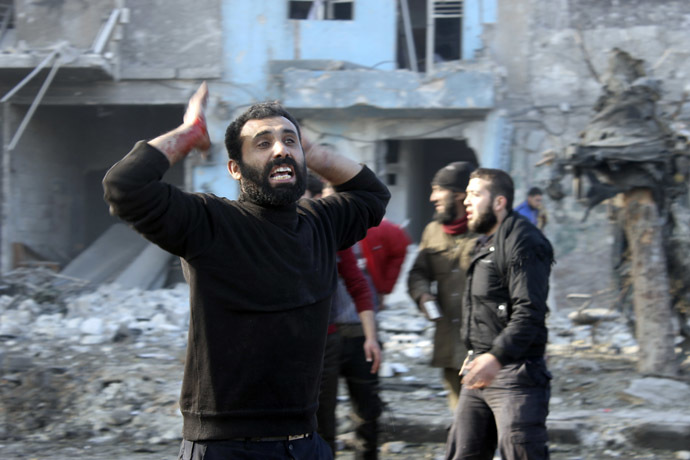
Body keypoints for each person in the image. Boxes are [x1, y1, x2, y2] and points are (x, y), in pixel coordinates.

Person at [102, 83, 390, 460]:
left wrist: (312, 152)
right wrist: (189, 134)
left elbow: (372, 195)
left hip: (305, 441)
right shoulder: (211, 222)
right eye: (263, 143)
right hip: (227, 445)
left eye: (290, 141)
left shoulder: (322, 223)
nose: (280, 149)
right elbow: (125, 186)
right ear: (235, 169)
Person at [445, 168, 553, 460]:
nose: (466, 202)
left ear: (499, 202)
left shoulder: (524, 241)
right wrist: (476, 354)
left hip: (515, 375)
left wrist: (496, 357)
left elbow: (529, 310)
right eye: (466, 195)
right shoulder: (484, 242)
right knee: (461, 453)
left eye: (475, 194)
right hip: (480, 370)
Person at [316, 182, 383, 460]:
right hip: (318, 338)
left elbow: (359, 283)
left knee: (366, 412)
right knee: (321, 421)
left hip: (352, 333)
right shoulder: (311, 225)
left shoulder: (356, 232)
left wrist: (371, 337)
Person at [407, 161, 477, 410]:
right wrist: (423, 295)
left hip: (484, 345)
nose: (432, 197)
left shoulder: (489, 231)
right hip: (450, 341)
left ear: (459, 194)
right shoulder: (433, 231)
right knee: (461, 416)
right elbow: (418, 273)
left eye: (438, 190)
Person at [357, 218, 411, 308]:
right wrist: (383, 290)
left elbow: (394, 266)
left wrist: (383, 289)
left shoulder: (387, 232)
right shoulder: (391, 231)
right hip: (369, 285)